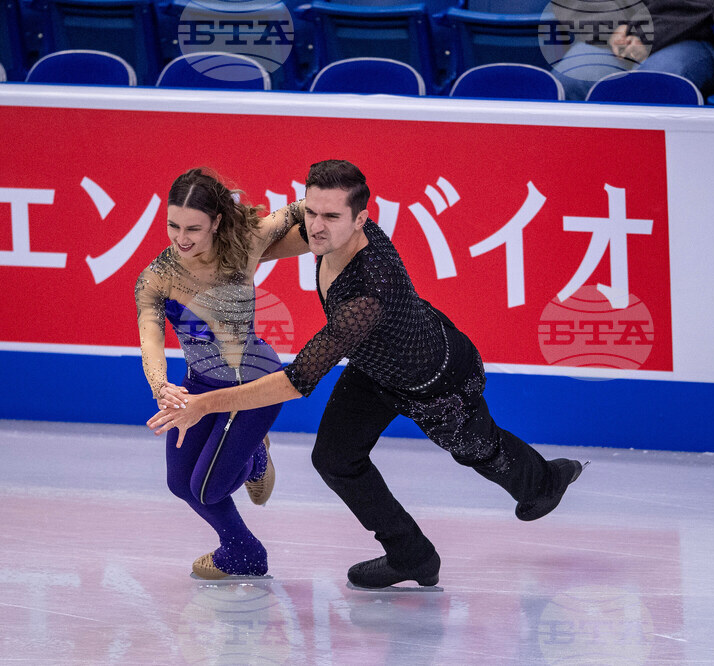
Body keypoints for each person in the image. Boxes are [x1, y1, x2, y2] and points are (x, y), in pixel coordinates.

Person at [148, 160, 585, 589]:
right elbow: (269, 236)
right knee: (335, 460)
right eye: (312, 211)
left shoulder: (366, 295)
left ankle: (547, 480)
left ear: (362, 219)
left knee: (480, 450)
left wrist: (203, 405)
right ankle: (411, 555)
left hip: (432, 379)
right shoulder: (328, 236)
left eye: (331, 216)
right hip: (373, 367)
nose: (316, 226)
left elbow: (296, 380)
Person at [135, 168, 305, 580]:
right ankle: (242, 546)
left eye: (193, 227)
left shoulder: (246, 243)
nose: (182, 237)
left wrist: (343, 213)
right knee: (180, 484)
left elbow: (302, 209)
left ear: (216, 221)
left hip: (257, 384)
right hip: (198, 384)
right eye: (173, 225)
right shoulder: (156, 277)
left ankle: (254, 469)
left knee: (208, 488)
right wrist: (162, 388)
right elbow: (151, 340)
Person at [550, 0, 714, 101]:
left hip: (688, 33)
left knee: (653, 84)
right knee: (571, 80)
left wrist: (649, 34)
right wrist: (610, 29)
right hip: (610, 33)